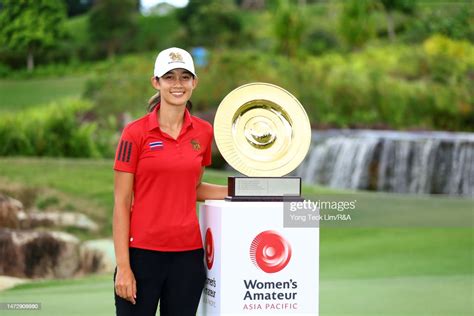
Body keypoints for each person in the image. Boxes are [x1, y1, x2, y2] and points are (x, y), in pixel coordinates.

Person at [113, 47, 228, 316]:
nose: (178, 84)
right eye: (170, 77)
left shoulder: (203, 131)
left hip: (187, 258)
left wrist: (241, 191)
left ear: (194, 83)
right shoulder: (135, 133)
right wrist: (124, 266)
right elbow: (121, 201)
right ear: (157, 82)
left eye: (185, 77)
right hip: (141, 255)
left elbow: (193, 188)